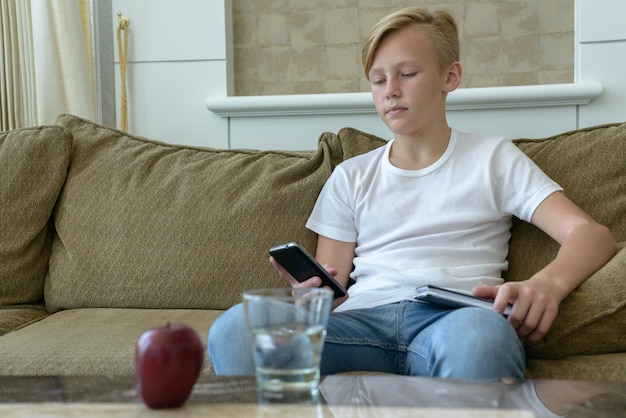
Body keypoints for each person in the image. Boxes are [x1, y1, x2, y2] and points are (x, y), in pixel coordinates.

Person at [208, 7, 616, 380]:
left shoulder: (492, 157)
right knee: (233, 330)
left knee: (482, 338)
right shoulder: (351, 176)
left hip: (453, 320)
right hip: (359, 323)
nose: (391, 90)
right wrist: (310, 297)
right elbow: (331, 293)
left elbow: (591, 235)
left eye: (407, 73)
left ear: (449, 77)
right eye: (379, 79)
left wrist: (547, 285)